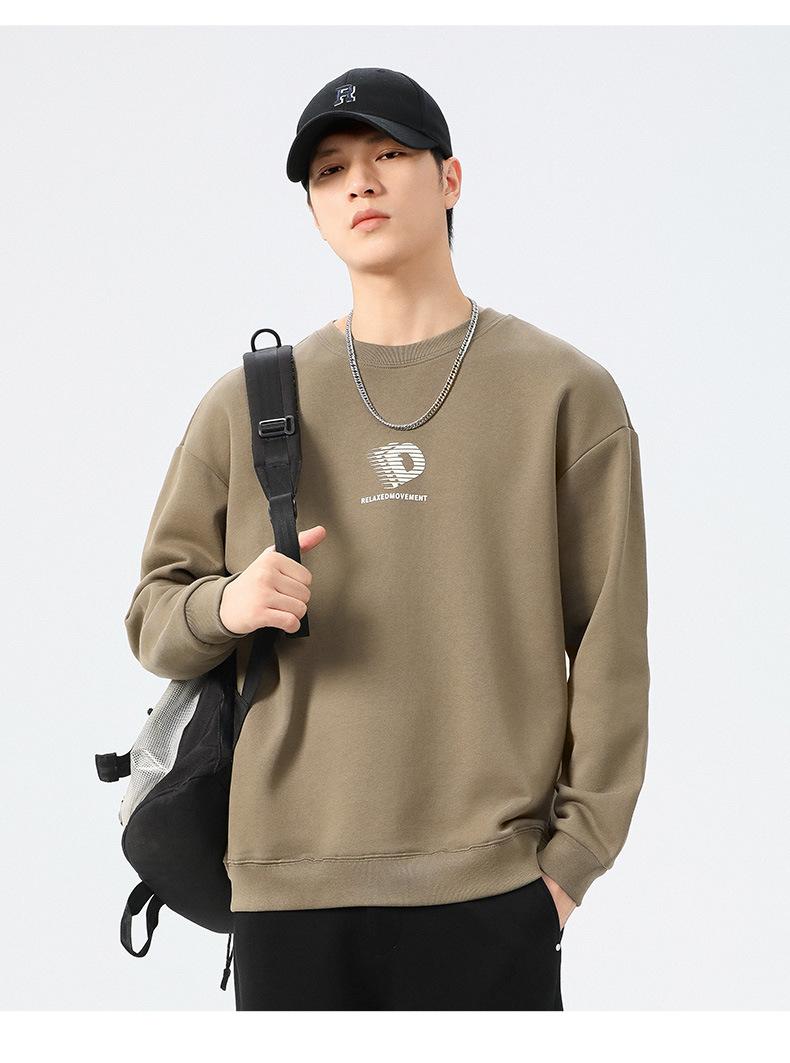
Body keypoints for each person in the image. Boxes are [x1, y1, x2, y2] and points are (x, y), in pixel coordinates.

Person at [124, 66, 650, 1011]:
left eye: (389, 154)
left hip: (491, 886)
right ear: (314, 207)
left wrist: (570, 865)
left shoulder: (564, 394)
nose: (359, 183)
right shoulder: (247, 403)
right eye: (329, 170)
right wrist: (229, 604)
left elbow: (611, 648)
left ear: (450, 179)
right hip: (287, 887)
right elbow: (153, 617)